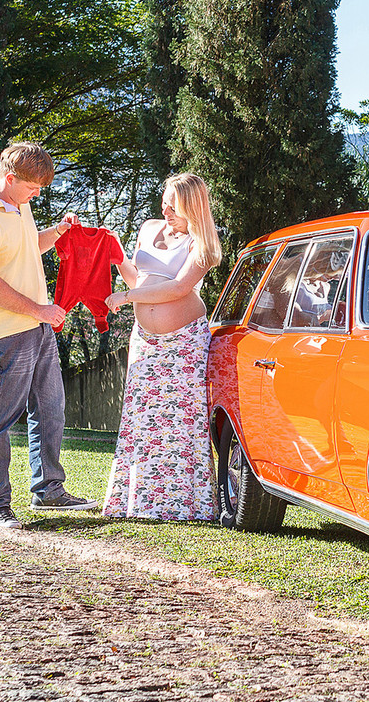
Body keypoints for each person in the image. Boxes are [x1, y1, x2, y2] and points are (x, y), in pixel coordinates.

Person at [0, 142, 99, 529]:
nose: (38, 194)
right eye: (33, 187)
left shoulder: (20, 205)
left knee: (50, 410)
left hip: (38, 326)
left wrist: (57, 230)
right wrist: (39, 310)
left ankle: (49, 489)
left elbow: (28, 249)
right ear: (10, 178)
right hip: (4, 331)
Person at [102, 173, 222, 521]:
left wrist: (128, 297)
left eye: (174, 204)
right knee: (142, 417)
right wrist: (114, 253)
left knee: (181, 422)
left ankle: (185, 505)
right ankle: (138, 502)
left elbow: (178, 289)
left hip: (184, 342)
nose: (165, 208)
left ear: (192, 206)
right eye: (164, 201)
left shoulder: (202, 245)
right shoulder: (148, 228)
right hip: (145, 339)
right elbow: (138, 276)